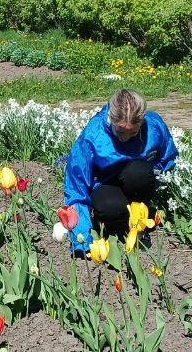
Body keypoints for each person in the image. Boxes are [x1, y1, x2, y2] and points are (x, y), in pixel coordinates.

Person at [61, 89, 177, 251]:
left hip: (135, 183)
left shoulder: (154, 127)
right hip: (105, 187)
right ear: (111, 119)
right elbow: (76, 188)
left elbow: (167, 159)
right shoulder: (93, 137)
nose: (126, 138)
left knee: (138, 173)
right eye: (121, 131)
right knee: (108, 207)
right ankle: (126, 224)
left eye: (134, 132)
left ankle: (141, 218)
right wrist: (82, 239)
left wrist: (153, 177)